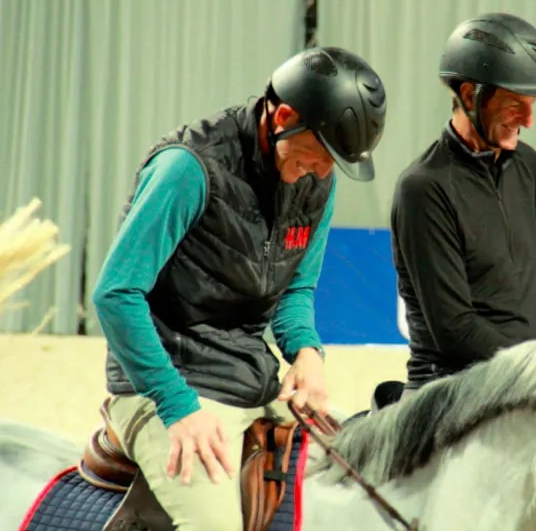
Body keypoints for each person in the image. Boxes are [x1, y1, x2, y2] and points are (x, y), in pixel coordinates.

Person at [91, 46, 387, 530]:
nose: (324, 172)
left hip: (253, 376)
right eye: (321, 155)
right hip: (165, 384)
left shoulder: (317, 181)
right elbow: (115, 294)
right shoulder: (188, 169)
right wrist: (175, 404)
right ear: (284, 116)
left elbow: (296, 291)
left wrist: (307, 352)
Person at [390, 12, 536, 399]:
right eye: (516, 104)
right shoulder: (423, 187)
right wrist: (532, 368)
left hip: (522, 381)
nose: (529, 121)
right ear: (470, 96)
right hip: (450, 390)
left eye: (532, 104)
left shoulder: (528, 165)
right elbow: (454, 328)